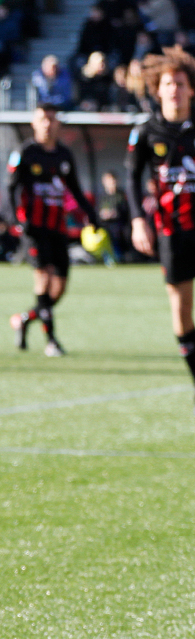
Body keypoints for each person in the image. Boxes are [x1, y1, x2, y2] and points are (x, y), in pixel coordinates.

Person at [128, 47, 195, 403]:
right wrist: (139, 221)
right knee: (181, 309)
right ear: (158, 89)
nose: (175, 90)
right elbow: (131, 179)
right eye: (168, 83)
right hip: (172, 231)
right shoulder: (146, 132)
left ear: (191, 89)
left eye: (181, 83)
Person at [8, 104, 100, 356]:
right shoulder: (25, 152)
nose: (47, 124)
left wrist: (91, 215)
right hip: (34, 228)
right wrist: (18, 219)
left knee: (58, 288)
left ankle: (25, 318)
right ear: (34, 123)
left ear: (58, 124)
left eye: (52, 119)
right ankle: (51, 341)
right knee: (44, 278)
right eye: (42, 119)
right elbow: (12, 187)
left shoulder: (64, 154)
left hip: (58, 228)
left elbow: (75, 188)